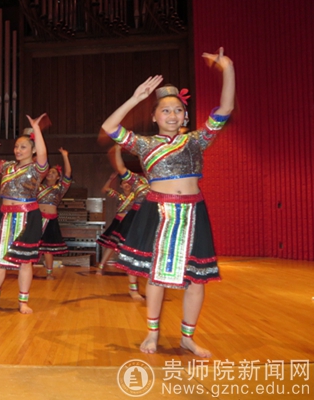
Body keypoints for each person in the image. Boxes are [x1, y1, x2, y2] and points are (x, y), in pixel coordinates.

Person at [100, 47, 235, 357]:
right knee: (156, 275)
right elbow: (110, 127)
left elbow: (226, 107)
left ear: (185, 115)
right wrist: (136, 98)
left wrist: (226, 68)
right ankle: (153, 333)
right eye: (165, 110)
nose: (172, 115)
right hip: (158, 211)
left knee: (196, 279)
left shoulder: (197, 140)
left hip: (193, 211)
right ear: (154, 116)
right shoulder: (145, 144)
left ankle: (187, 337)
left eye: (177, 110)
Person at [0, 114, 49, 314]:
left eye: (23, 147)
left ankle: (23, 302)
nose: (18, 150)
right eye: (16, 147)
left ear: (33, 150)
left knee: (25, 262)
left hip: (27, 216)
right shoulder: (6, 166)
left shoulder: (37, 168)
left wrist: (36, 129)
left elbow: (43, 154)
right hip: (5, 216)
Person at [96, 146, 149, 301]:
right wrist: (117, 150)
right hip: (129, 220)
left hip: (150, 217)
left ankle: (156, 284)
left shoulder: (159, 181)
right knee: (120, 246)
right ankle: (132, 287)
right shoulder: (136, 183)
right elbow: (120, 169)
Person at [37, 148, 72, 279]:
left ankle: (49, 272)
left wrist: (65, 156)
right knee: (31, 244)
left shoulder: (60, 189)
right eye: (49, 172)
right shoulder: (38, 187)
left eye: (53, 172)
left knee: (48, 248)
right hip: (37, 218)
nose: (50, 174)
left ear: (58, 177)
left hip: (50, 220)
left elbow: (68, 173)